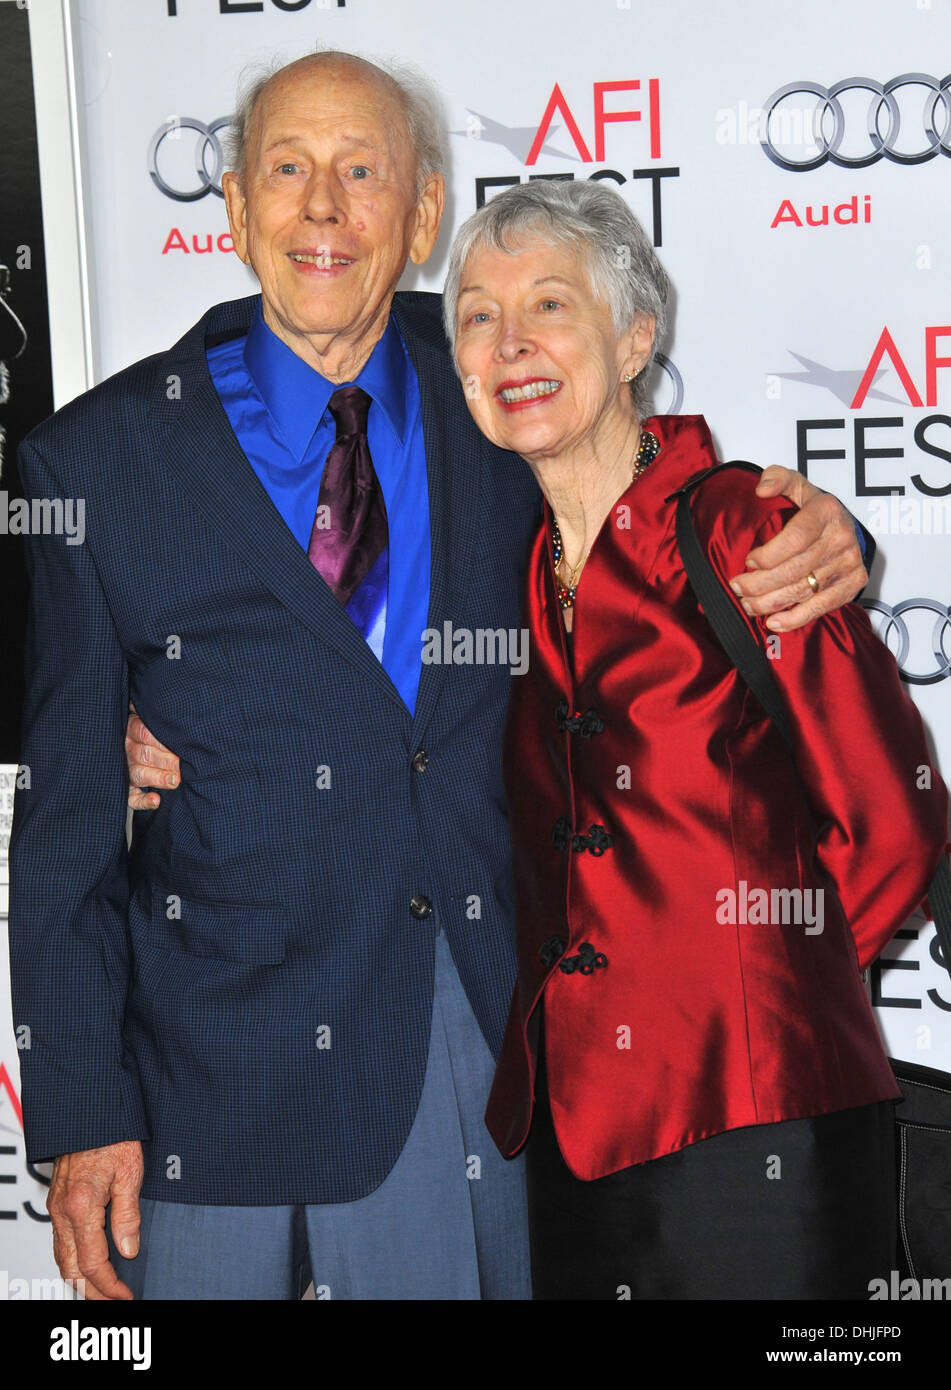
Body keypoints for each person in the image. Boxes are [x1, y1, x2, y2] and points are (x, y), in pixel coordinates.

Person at [15, 49, 868, 1304]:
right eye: (289, 172)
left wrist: (810, 521)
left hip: (470, 1046)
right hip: (207, 1075)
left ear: (421, 213)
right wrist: (84, 1109)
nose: (322, 209)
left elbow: (662, 507)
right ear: (238, 211)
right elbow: (66, 833)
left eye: (363, 172)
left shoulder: (504, 380)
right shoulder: (93, 459)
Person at [438, 177, 948, 1299]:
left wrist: (757, 992)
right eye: (478, 314)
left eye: (550, 305)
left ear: (636, 336)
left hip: (761, 1139)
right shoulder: (508, 566)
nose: (510, 339)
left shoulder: (743, 530)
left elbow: (897, 821)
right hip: (573, 1143)